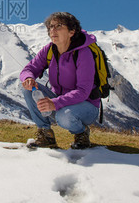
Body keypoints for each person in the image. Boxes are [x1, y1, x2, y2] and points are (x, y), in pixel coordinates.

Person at [20, 12, 100, 149]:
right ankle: (45, 135)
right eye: (51, 27)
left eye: (59, 26)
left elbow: (83, 92)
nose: (53, 30)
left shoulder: (83, 53)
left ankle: (81, 134)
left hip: (86, 106)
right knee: (26, 89)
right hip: (59, 101)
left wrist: (54, 103)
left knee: (64, 115)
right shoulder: (50, 50)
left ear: (71, 32)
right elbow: (30, 68)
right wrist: (28, 78)